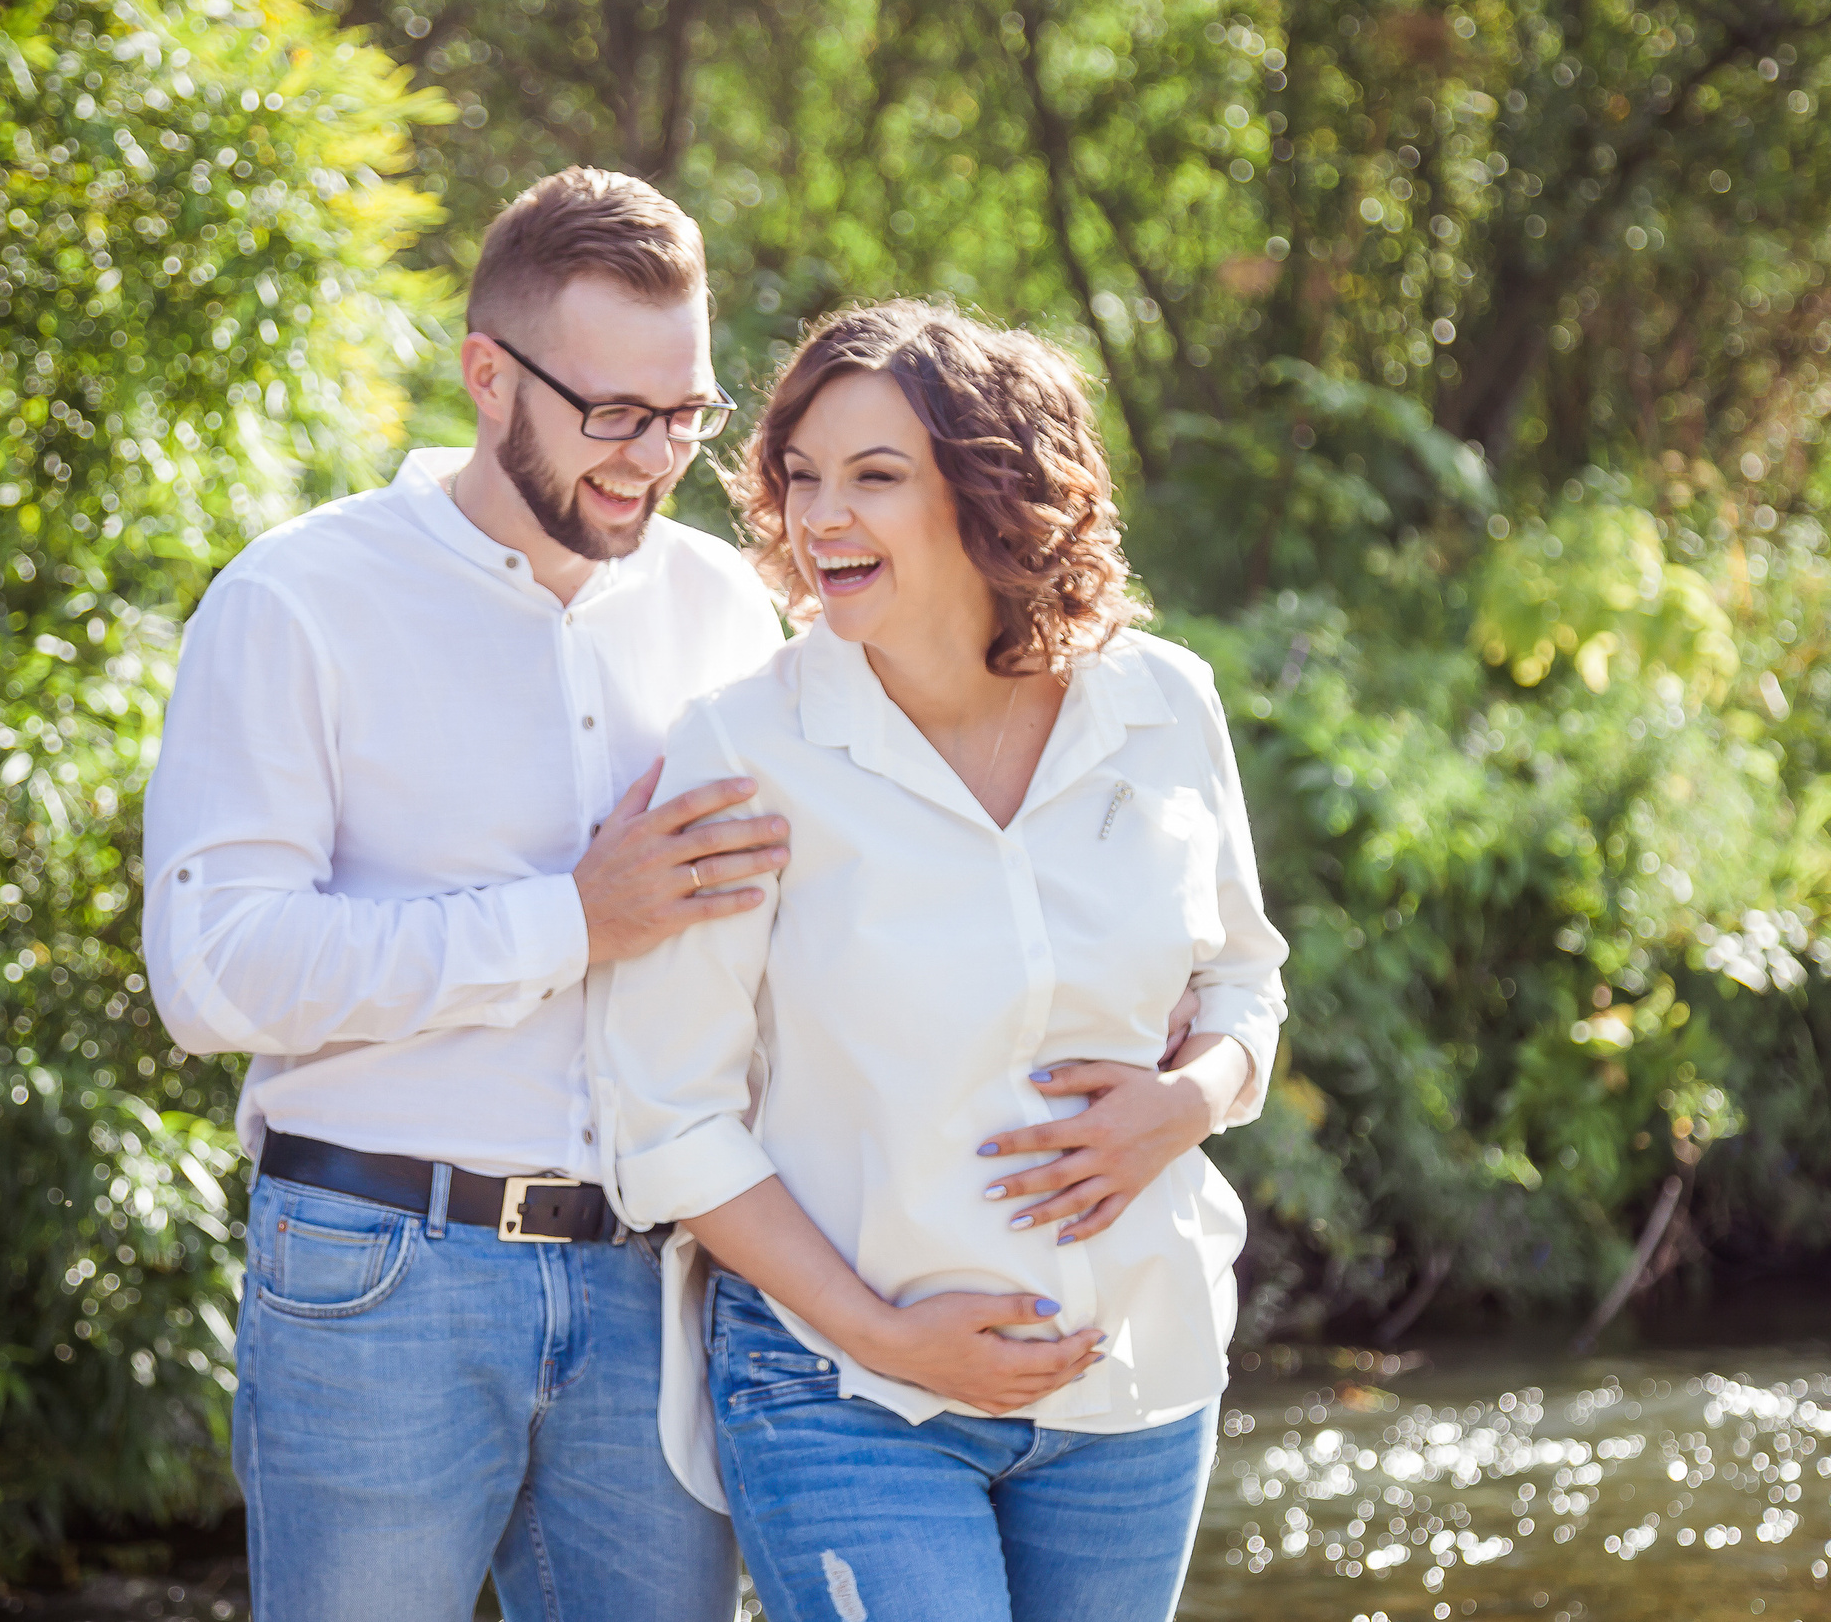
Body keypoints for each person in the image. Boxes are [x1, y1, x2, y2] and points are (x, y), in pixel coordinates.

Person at [142, 172, 1240, 1622]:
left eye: (689, 416)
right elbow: (212, 971)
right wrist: (574, 919)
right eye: (615, 415)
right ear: (487, 375)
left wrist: (1188, 1068)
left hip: (650, 1288)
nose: (655, 461)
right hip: (386, 1264)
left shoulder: (731, 612)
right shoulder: (300, 601)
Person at [597, 301, 1289, 1622]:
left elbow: (1246, 984)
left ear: (994, 493)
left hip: (1135, 1383)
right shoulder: (745, 752)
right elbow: (667, 1115)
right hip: (843, 1393)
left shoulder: (1164, 706)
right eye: (800, 478)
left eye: (873, 477)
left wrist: (1188, 1104)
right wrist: (883, 1335)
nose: (819, 519)